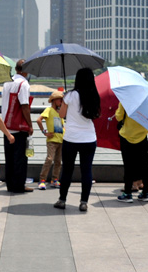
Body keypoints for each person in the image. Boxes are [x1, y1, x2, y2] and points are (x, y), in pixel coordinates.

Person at [54, 68, 100, 212]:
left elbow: (61, 115)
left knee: (67, 169)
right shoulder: (94, 95)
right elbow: (95, 115)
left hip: (71, 138)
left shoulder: (70, 95)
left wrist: (65, 100)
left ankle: (62, 200)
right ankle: (84, 202)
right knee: (86, 170)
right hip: (89, 138)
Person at [1, 59, 33, 193]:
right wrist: (30, 125)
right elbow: (25, 106)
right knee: (20, 158)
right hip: (19, 127)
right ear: (25, 70)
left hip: (6, 126)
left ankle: (10, 184)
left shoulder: (8, 81)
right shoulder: (23, 84)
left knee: (9, 158)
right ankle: (19, 186)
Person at [115, 100, 148, 203]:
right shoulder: (147, 101)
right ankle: (145, 193)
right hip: (143, 136)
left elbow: (119, 117)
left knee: (128, 165)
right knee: (145, 165)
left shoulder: (125, 100)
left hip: (127, 136)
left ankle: (128, 193)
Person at [36, 90, 65, 191]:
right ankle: (42, 180)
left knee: (58, 161)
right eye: (59, 99)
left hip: (61, 140)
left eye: (62, 100)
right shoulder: (48, 110)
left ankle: (55, 179)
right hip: (52, 140)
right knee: (49, 159)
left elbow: (62, 126)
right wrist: (44, 132)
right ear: (54, 100)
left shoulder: (59, 112)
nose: (61, 101)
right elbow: (38, 120)